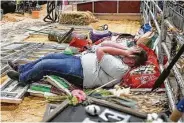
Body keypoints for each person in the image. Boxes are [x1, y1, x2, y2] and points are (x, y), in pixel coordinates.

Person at [7, 42, 148, 89]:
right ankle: (22, 68)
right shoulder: (122, 57)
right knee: (49, 56)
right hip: (80, 61)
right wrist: (126, 50)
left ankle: (22, 78)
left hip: (82, 74)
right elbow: (105, 44)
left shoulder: (121, 68)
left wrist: (124, 51)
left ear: (132, 60)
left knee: (45, 65)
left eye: (131, 52)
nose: (126, 51)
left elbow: (100, 50)